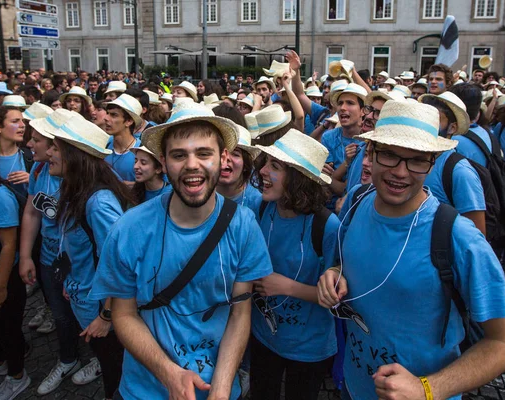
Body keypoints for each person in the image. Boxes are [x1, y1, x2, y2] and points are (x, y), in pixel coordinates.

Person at [317, 99, 505, 400]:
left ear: (433, 162)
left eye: (417, 159)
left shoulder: (458, 237)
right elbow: (343, 259)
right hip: (354, 385)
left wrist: (427, 388)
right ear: (370, 153)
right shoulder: (356, 201)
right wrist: (334, 273)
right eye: (389, 155)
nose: (401, 172)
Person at [88, 101, 273, 400]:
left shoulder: (243, 225)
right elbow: (123, 314)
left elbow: (240, 312)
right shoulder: (129, 229)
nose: (191, 165)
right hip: (143, 389)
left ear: (223, 158)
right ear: (162, 161)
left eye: (203, 153)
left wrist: (222, 389)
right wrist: (168, 373)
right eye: (179, 155)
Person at [46, 114, 133, 400]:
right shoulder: (74, 190)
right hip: (84, 300)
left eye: (56, 148)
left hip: (103, 313)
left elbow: (122, 264)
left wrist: (107, 316)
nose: (48, 153)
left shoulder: (98, 203)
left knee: (115, 376)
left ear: (75, 156)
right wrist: (70, 279)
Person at [249, 129, 338, 399]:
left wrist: (287, 287)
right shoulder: (262, 208)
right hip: (262, 335)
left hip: (308, 348)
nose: (263, 171)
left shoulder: (326, 226)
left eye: (274, 166)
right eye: (265, 162)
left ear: (298, 179)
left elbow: (336, 299)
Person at [20, 109, 101, 394]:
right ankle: (68, 358)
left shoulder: (84, 184)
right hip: (50, 259)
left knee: (90, 317)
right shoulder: (40, 169)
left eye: (39, 140)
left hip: (79, 266)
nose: (30, 144)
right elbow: (32, 212)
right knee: (61, 315)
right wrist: (27, 255)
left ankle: (99, 360)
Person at [419, 92, 487, 235]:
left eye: (435, 119)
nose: (426, 124)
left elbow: (476, 235)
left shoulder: (460, 172)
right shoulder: (412, 157)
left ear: (452, 128)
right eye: (423, 116)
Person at [0, 138, 31, 400]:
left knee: (9, 327)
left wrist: (1, 286)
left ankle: (17, 375)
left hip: (3, 274)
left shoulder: (1, 196)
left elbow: (8, 245)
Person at [213, 105, 262, 216]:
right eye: (221, 152)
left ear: (246, 164)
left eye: (235, 154)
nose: (227, 158)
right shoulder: (197, 195)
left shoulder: (259, 203)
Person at [103, 94, 143, 184]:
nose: (106, 118)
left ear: (129, 121)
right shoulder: (104, 145)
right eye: (107, 113)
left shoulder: (141, 150)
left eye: (113, 115)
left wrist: (137, 187)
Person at [0, 106, 30, 198]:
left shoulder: (30, 157)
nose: (22, 125)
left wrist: (33, 180)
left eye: (23, 121)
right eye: (15, 121)